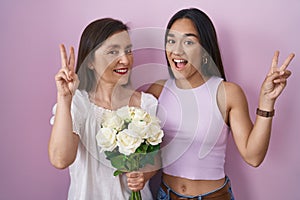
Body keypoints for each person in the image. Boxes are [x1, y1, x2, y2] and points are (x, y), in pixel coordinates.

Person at [147, 8, 295, 200]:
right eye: (171, 40)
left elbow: (253, 156)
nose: (177, 50)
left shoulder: (227, 93)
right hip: (166, 195)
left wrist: (267, 102)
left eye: (189, 42)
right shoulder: (157, 91)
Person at [48, 18, 158, 200]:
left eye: (128, 51)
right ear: (90, 62)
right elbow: (60, 160)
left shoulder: (147, 104)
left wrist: (144, 175)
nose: (125, 59)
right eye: (113, 52)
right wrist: (64, 99)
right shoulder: (78, 104)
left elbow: (156, 158)